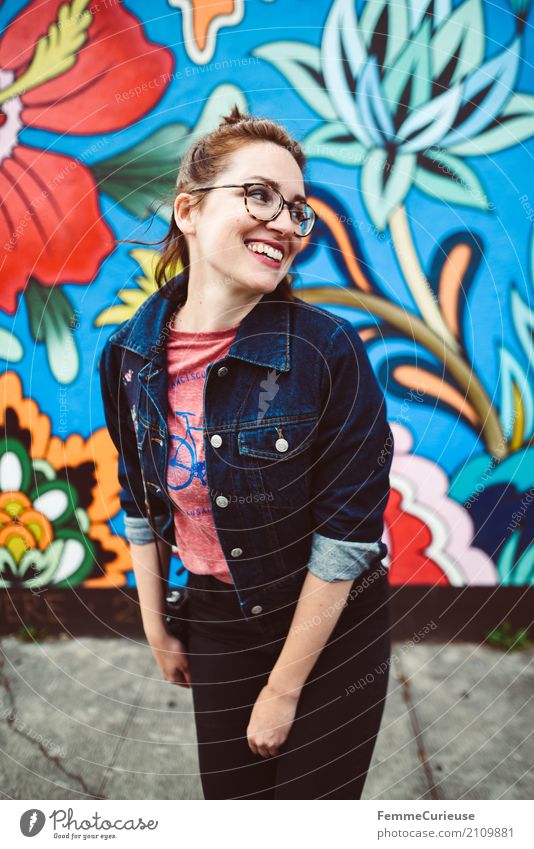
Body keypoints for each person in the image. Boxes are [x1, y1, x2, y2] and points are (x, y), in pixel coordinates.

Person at [99, 106, 394, 799]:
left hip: (333, 630)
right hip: (216, 620)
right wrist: (157, 624)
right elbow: (139, 498)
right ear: (188, 211)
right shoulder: (128, 359)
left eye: (297, 209)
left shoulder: (327, 352)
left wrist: (285, 689)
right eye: (259, 194)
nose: (286, 222)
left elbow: (347, 540)